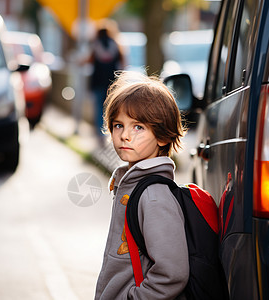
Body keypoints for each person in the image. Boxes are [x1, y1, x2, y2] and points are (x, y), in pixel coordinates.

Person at [95, 71, 189, 299]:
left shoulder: (154, 196)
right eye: (118, 125)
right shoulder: (129, 183)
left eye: (138, 127)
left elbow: (172, 273)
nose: (125, 135)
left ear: (163, 137)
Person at [88, 19, 125, 142]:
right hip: (112, 81)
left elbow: (89, 60)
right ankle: (111, 130)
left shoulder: (96, 45)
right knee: (111, 106)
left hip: (98, 80)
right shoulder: (116, 44)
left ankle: (100, 132)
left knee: (99, 106)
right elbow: (123, 62)